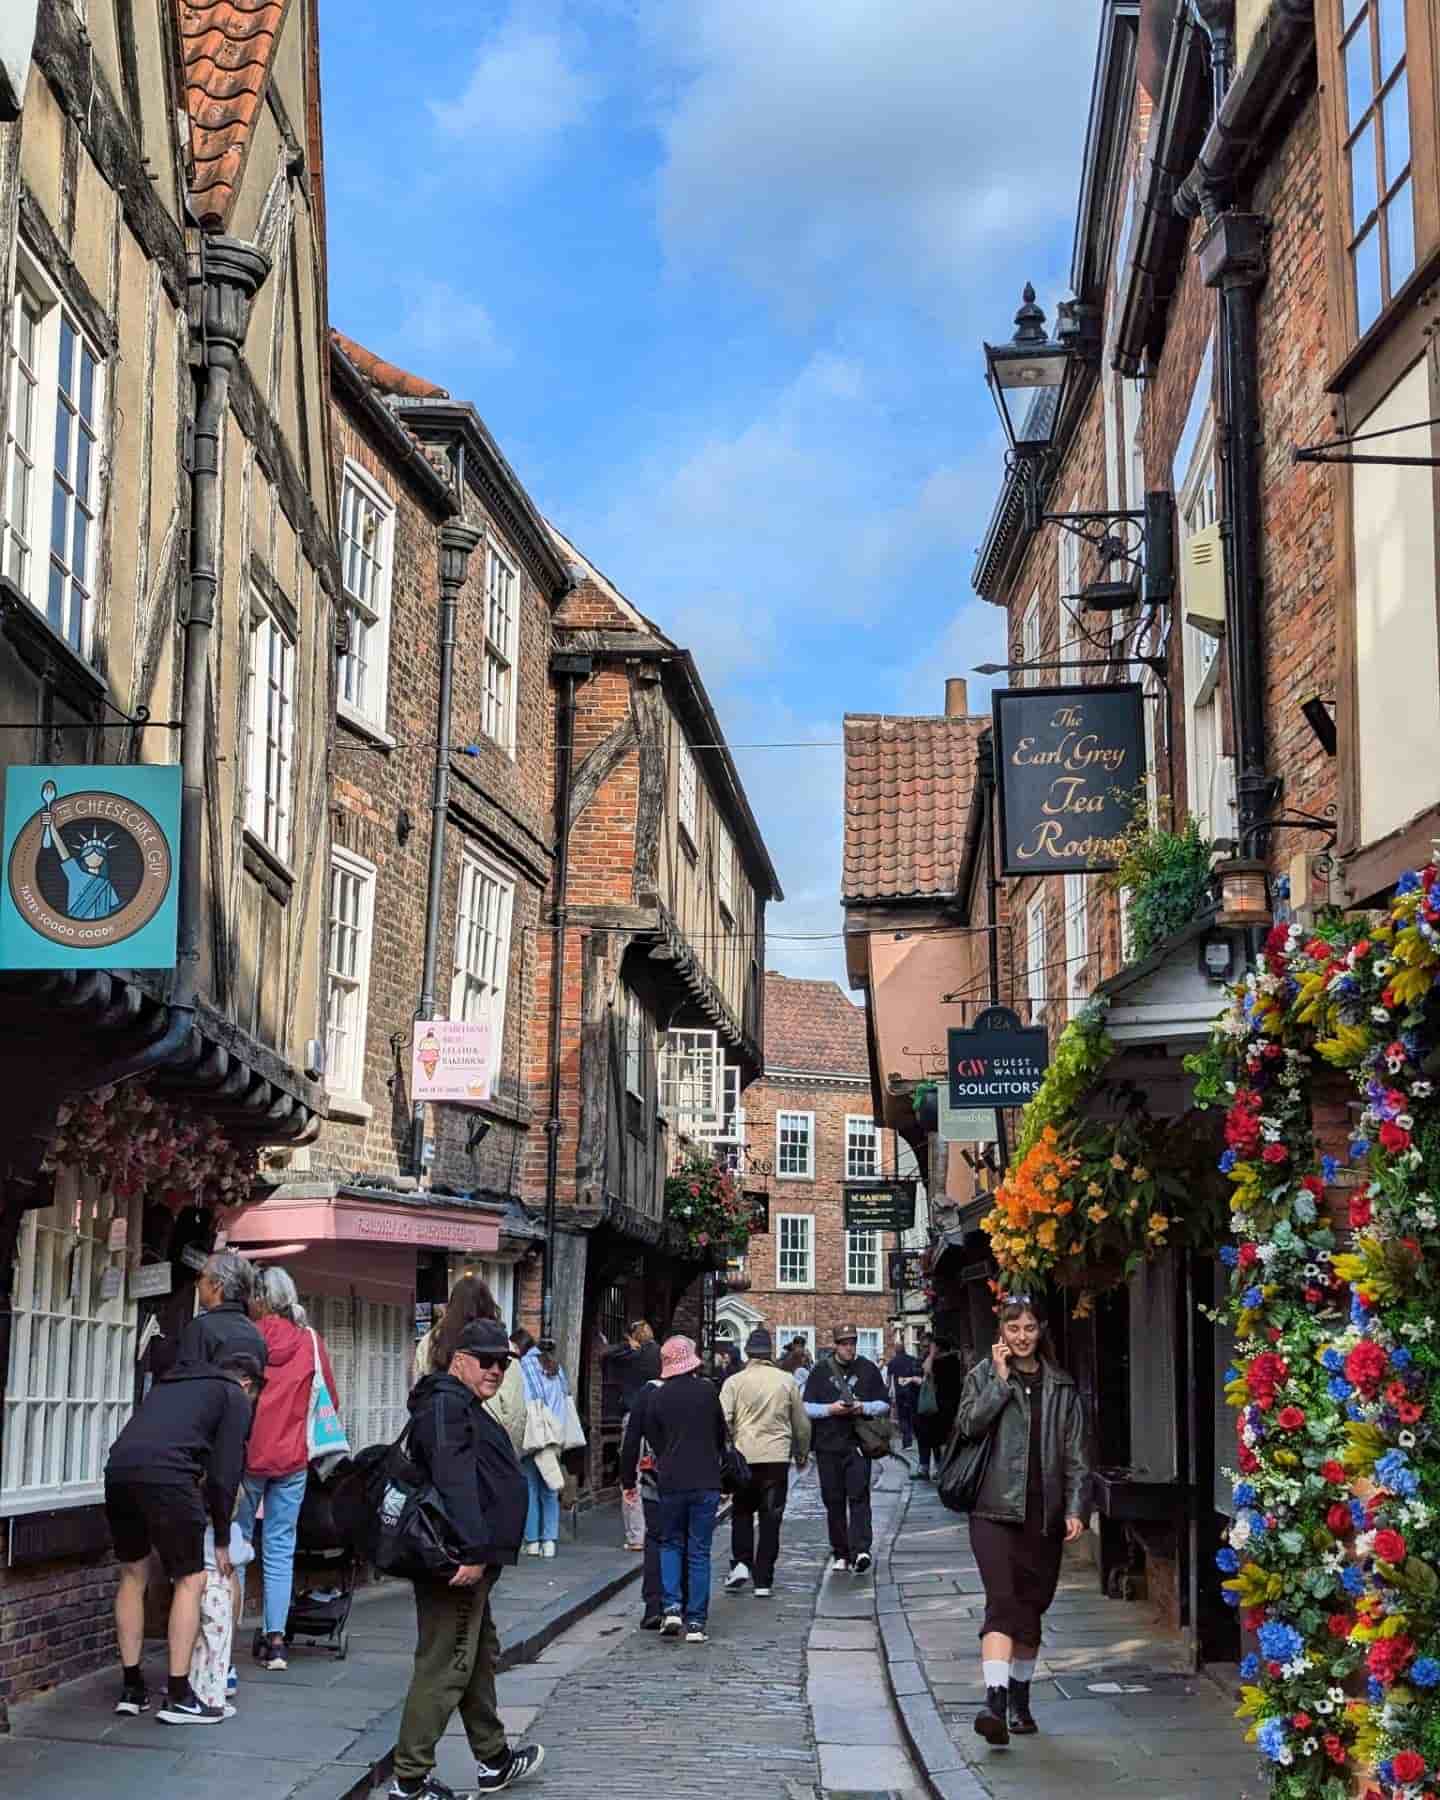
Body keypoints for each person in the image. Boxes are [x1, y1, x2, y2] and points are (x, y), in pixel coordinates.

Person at [389, 1319, 544, 1797]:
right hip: (455, 1561)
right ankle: (409, 1781)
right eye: (486, 1360)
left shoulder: (460, 1403)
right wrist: (474, 1552)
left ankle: (494, 1758)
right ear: (460, 1360)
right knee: (445, 1663)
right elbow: (455, 1482)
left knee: (475, 1654)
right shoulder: (446, 1406)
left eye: (503, 1361)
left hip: (468, 1558)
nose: (496, 1369)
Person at [955, 1297, 1089, 1746]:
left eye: (1029, 1328)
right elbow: (969, 1427)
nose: (1022, 1337)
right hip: (993, 1509)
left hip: (1043, 1514)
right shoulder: (981, 1376)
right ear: (1002, 1333)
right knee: (1003, 1602)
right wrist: (998, 1381)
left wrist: (1074, 1508)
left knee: (1032, 1609)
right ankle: (993, 1701)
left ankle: (1019, 1698)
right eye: (1014, 1329)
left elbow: (1076, 1455)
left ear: (1040, 1330)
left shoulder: (1062, 1387)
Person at [104, 1350, 262, 1723]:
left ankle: (132, 1687)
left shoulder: (174, 1384)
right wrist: (222, 1537)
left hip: (119, 1470)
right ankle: (179, 1696)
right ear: (247, 1384)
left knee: (132, 1575)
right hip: (170, 1477)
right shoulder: (233, 1395)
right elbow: (225, 1476)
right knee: (191, 1578)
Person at [235, 1266, 342, 1672]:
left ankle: (227, 1633)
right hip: (293, 1460)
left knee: (238, 1545)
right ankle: (276, 1641)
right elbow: (330, 1399)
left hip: (248, 1459)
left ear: (258, 1299)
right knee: (280, 1549)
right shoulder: (311, 1342)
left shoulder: (247, 1338)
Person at [620, 1334, 724, 1643]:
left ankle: (672, 1607)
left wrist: (635, 1478)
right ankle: (696, 1622)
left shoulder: (656, 1398)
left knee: (670, 1544)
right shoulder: (708, 1392)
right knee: (699, 1551)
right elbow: (721, 1435)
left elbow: (652, 1439)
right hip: (705, 1480)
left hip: (671, 1482)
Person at [720, 1327, 811, 1596]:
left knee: (742, 1511)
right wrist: (802, 1452)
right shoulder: (786, 1381)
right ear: (770, 1353)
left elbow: (722, 1419)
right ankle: (764, 1580)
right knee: (771, 1518)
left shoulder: (734, 1382)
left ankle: (741, 1564)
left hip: (744, 1456)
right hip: (776, 1458)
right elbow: (801, 1423)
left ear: (748, 1352)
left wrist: (726, 1449)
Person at [803, 1324, 890, 1574]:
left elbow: (884, 1404)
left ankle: (861, 1549)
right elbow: (806, 1406)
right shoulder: (820, 1371)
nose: (849, 1348)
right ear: (835, 1345)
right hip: (827, 1445)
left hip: (858, 1444)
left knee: (859, 1496)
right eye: (844, 1343)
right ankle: (840, 1552)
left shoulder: (868, 1369)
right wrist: (831, 1409)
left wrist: (863, 1407)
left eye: (852, 1342)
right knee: (833, 1500)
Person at [416, 1276, 527, 1455]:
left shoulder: (429, 1343)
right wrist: (508, 1452)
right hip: (487, 1446)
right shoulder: (502, 1347)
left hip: (437, 1440)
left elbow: (419, 1391)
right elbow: (515, 1410)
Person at [599, 1320, 661, 1552]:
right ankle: (657, 1529)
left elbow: (605, 1355)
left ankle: (637, 1536)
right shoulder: (660, 1355)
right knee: (658, 1473)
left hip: (634, 1418)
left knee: (632, 1475)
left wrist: (626, 1346)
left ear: (633, 1337)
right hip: (659, 1419)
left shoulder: (630, 1357)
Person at [518, 1336, 569, 1557]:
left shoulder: (526, 1365)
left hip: (536, 1434)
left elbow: (527, 1402)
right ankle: (549, 1541)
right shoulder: (557, 1369)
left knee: (530, 1487)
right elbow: (566, 1399)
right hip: (555, 1436)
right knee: (550, 1487)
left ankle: (532, 1541)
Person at [175, 1251, 267, 1370]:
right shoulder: (256, 1335)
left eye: (201, 1276)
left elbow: (186, 1381)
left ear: (217, 1284)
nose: (196, 1283)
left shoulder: (201, 1328)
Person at [914, 1336, 962, 1481]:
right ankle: (939, 1467)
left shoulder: (941, 1361)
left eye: (932, 1346)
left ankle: (938, 1468)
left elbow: (926, 1369)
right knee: (940, 1438)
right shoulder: (954, 1360)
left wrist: (932, 1355)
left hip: (940, 1405)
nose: (929, 1349)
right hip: (950, 1403)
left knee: (936, 1437)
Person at [888, 1336, 923, 1453]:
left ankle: (906, 1442)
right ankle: (915, 1439)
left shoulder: (892, 1362)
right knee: (912, 1415)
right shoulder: (912, 1359)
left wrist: (890, 1394)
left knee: (903, 1417)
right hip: (912, 1391)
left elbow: (889, 1381)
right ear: (904, 1349)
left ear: (896, 1350)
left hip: (900, 1393)